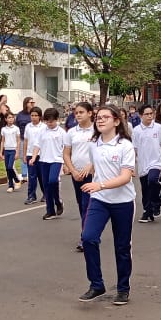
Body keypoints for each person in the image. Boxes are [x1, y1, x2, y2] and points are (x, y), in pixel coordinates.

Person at [77, 106, 136, 305]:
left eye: (105, 117)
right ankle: (97, 285)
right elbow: (97, 163)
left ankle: (123, 289)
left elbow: (126, 177)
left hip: (122, 202)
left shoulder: (125, 146)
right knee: (88, 237)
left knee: (122, 246)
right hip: (100, 200)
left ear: (116, 121)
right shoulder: (94, 144)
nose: (100, 120)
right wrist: (89, 168)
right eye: (98, 118)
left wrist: (99, 184)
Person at [133, 104, 161, 223]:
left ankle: (157, 202)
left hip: (157, 162)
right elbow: (134, 149)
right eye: (146, 114)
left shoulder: (159, 128)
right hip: (142, 163)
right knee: (145, 190)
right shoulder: (136, 131)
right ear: (141, 115)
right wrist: (131, 166)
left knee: (152, 180)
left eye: (151, 113)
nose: (149, 116)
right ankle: (148, 213)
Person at [63, 101, 96, 251]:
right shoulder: (71, 132)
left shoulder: (97, 130)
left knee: (87, 205)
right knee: (81, 204)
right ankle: (90, 232)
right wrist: (73, 170)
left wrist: (91, 166)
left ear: (90, 113)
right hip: (76, 174)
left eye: (81, 112)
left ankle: (85, 237)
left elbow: (102, 151)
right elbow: (66, 154)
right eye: (76, 113)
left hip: (92, 174)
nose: (78, 115)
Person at [31, 108, 66, 220]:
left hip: (56, 160)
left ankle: (58, 201)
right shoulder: (42, 131)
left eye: (51, 121)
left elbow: (66, 148)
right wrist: (33, 157)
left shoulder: (61, 132)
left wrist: (66, 163)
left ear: (57, 120)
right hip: (44, 160)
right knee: (46, 186)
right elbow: (37, 145)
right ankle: (50, 211)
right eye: (47, 121)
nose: (49, 124)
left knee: (53, 181)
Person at [23, 107, 46, 205]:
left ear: (40, 116)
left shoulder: (44, 127)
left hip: (41, 155)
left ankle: (46, 194)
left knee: (42, 176)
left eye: (36, 115)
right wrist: (24, 155)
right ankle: (31, 196)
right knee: (32, 177)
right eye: (32, 115)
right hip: (30, 154)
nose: (34, 117)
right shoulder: (28, 126)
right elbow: (26, 141)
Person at [0, 111, 21, 193]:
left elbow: (18, 141)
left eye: (12, 117)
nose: (11, 119)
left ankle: (17, 179)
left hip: (13, 150)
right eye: (9, 118)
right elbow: (2, 141)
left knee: (10, 167)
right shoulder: (3, 129)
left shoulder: (16, 128)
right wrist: (1, 152)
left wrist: (17, 152)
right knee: (7, 169)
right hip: (6, 150)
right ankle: (11, 185)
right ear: (6, 119)